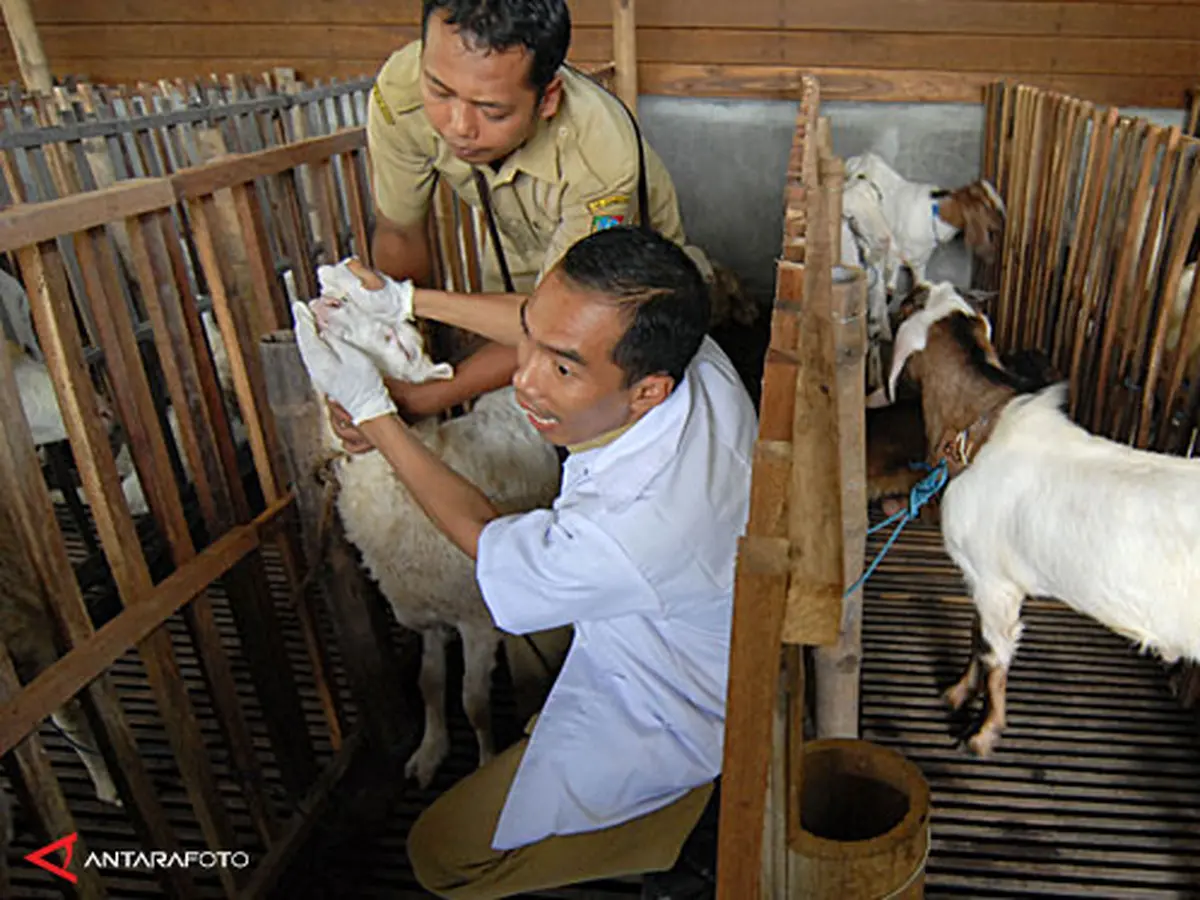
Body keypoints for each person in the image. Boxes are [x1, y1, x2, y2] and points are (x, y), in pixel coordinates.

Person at [293, 227, 756, 898]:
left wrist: (375, 411)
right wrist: (404, 299)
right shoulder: (688, 347)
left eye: (561, 369)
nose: (523, 379)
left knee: (440, 854)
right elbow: (548, 324)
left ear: (648, 391)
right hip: (686, 627)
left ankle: (674, 836)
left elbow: (485, 535)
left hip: (672, 713)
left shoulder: (639, 523)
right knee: (536, 646)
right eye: (528, 342)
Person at [365, 0, 692, 423]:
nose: (458, 126)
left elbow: (564, 323)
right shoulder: (400, 92)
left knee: (592, 404)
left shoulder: (601, 153)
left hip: (621, 282)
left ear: (548, 99)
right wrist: (407, 354)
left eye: (492, 110)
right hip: (515, 247)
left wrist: (425, 397)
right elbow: (399, 232)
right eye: (440, 92)